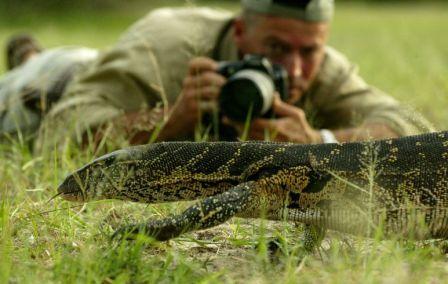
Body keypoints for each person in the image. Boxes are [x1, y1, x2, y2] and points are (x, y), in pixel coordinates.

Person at [2, 1, 435, 152]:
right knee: (33, 94)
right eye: (276, 50)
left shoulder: (317, 65)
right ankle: (30, 59)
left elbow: (413, 127)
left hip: (105, 71)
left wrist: (320, 142)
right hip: (61, 82)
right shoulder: (169, 44)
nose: (295, 70)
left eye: (309, 51)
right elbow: (60, 131)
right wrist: (174, 119)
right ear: (242, 32)